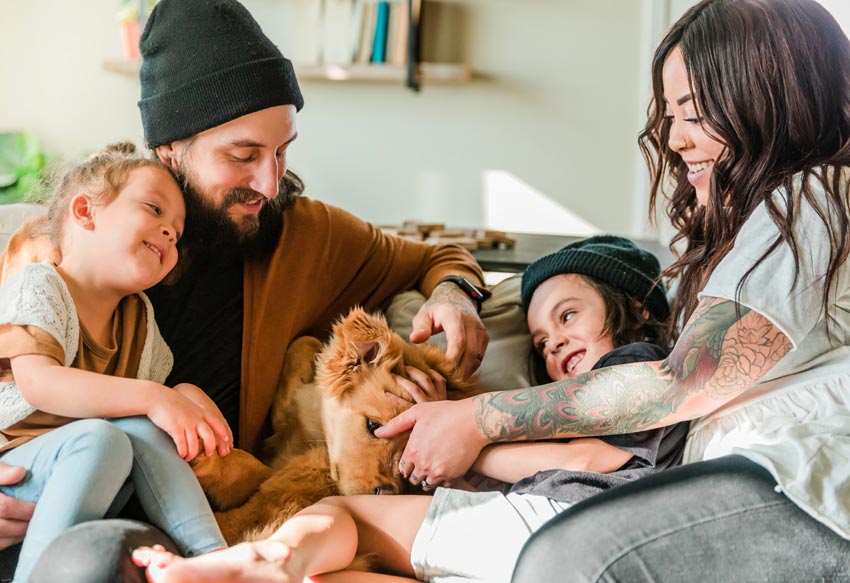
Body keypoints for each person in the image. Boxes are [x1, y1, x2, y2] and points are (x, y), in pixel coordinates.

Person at [0, 0, 489, 569]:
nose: (269, 181)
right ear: (170, 149)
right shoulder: (60, 250)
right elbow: (20, 385)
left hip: (201, 526)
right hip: (53, 505)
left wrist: (457, 295)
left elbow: (439, 257)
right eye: (243, 155)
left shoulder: (304, 236)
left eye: (283, 151)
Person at [388, 1, 850, 581]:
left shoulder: (813, 196)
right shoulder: (782, 214)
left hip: (807, 491)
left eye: (694, 113)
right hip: (752, 483)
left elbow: (685, 381)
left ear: (768, 100)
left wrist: (479, 418)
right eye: (669, 116)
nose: (676, 140)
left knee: (563, 559)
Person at [129, 235, 690, 582]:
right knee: (340, 570)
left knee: (340, 515)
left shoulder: (637, 364)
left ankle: (264, 562)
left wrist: (472, 441)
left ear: (634, 307)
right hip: (532, 525)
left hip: (570, 522)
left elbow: (595, 461)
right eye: (540, 341)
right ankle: (263, 571)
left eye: (567, 316)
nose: (553, 344)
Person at [0, 143, 231, 582]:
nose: (168, 233)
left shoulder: (138, 318)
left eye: (176, 234)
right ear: (85, 212)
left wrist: (182, 399)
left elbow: (145, 419)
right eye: (153, 209)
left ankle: (214, 561)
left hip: (91, 480)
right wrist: (153, 395)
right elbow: (39, 384)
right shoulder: (40, 285)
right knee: (100, 438)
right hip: (15, 467)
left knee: (138, 429)